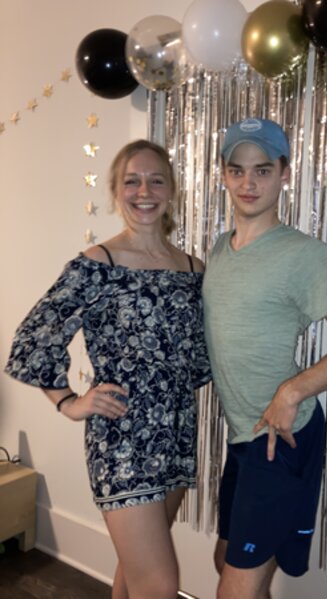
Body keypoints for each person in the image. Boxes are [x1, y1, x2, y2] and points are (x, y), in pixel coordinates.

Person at [5, 139, 211, 599]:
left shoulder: (194, 269)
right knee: (159, 584)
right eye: (132, 181)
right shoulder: (98, 265)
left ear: (172, 190)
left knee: (135, 573)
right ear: (117, 191)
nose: (145, 191)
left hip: (176, 434)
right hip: (121, 439)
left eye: (156, 180)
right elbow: (34, 337)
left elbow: (198, 356)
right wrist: (68, 402)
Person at [202, 118, 327, 599]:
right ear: (223, 175)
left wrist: (292, 391)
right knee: (226, 560)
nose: (248, 182)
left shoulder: (304, 255)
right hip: (244, 436)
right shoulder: (219, 250)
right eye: (237, 170)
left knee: (236, 587)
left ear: (285, 174)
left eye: (262, 170)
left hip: (282, 436)